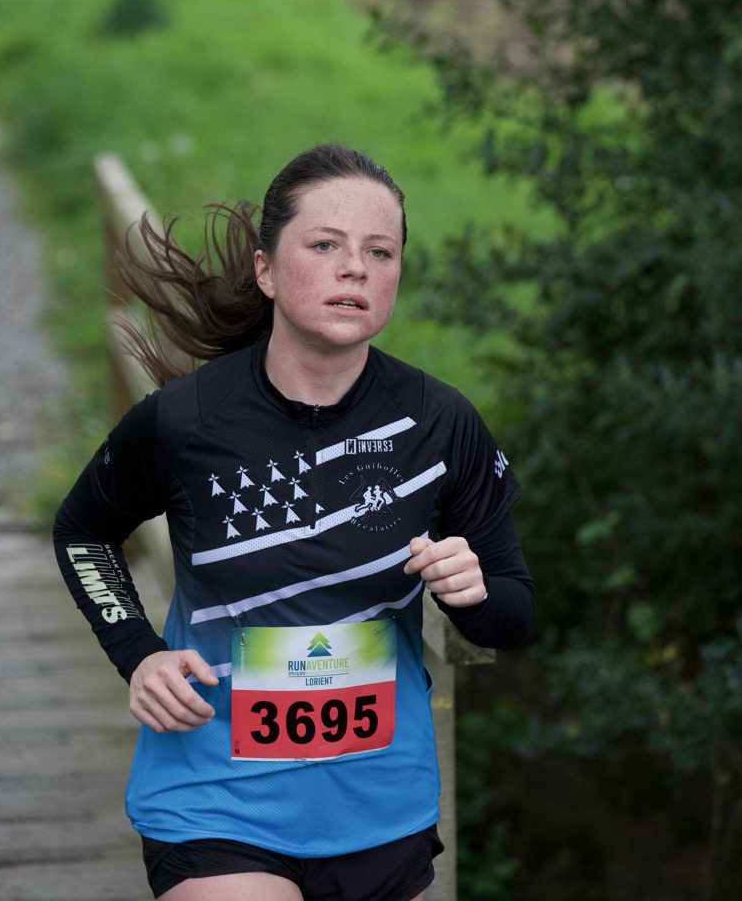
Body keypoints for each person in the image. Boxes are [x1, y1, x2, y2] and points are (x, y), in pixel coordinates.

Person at [53, 142, 534, 901]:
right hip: (213, 799)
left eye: (379, 252)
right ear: (266, 270)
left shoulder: (440, 425)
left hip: (381, 806)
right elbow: (83, 532)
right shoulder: (183, 422)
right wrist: (138, 653)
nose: (355, 270)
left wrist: (471, 594)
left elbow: (512, 615)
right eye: (325, 246)